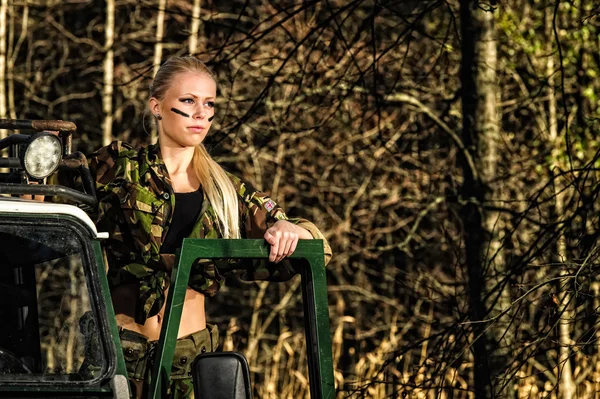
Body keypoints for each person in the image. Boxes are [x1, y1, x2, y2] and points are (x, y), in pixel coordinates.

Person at [66, 56, 332, 398]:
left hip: (189, 367)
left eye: (209, 104)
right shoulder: (121, 168)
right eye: (188, 101)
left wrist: (294, 231)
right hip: (119, 356)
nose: (200, 113)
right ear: (157, 106)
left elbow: (310, 244)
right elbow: (50, 199)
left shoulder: (224, 190)